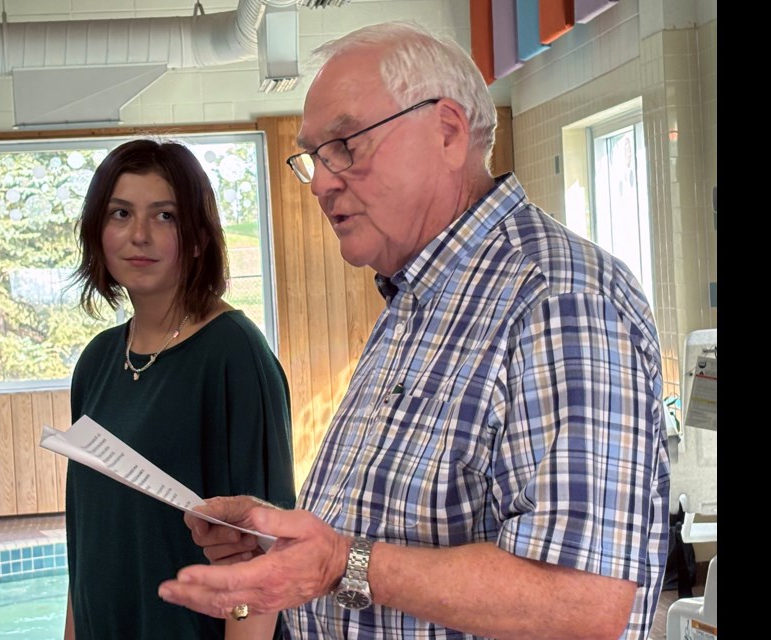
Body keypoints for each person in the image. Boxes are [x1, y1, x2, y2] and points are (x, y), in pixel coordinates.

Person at [157, 22, 669, 640]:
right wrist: (286, 547)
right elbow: (390, 528)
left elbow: (581, 606)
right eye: (314, 157)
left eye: (345, 144)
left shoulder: (558, 301)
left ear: (448, 131)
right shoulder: (416, 299)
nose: (321, 181)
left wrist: (341, 565)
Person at [66, 139, 296, 640]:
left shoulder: (234, 354)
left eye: (165, 216)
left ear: (197, 237)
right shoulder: (97, 361)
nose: (139, 235)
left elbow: (265, 551)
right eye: (120, 213)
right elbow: (85, 538)